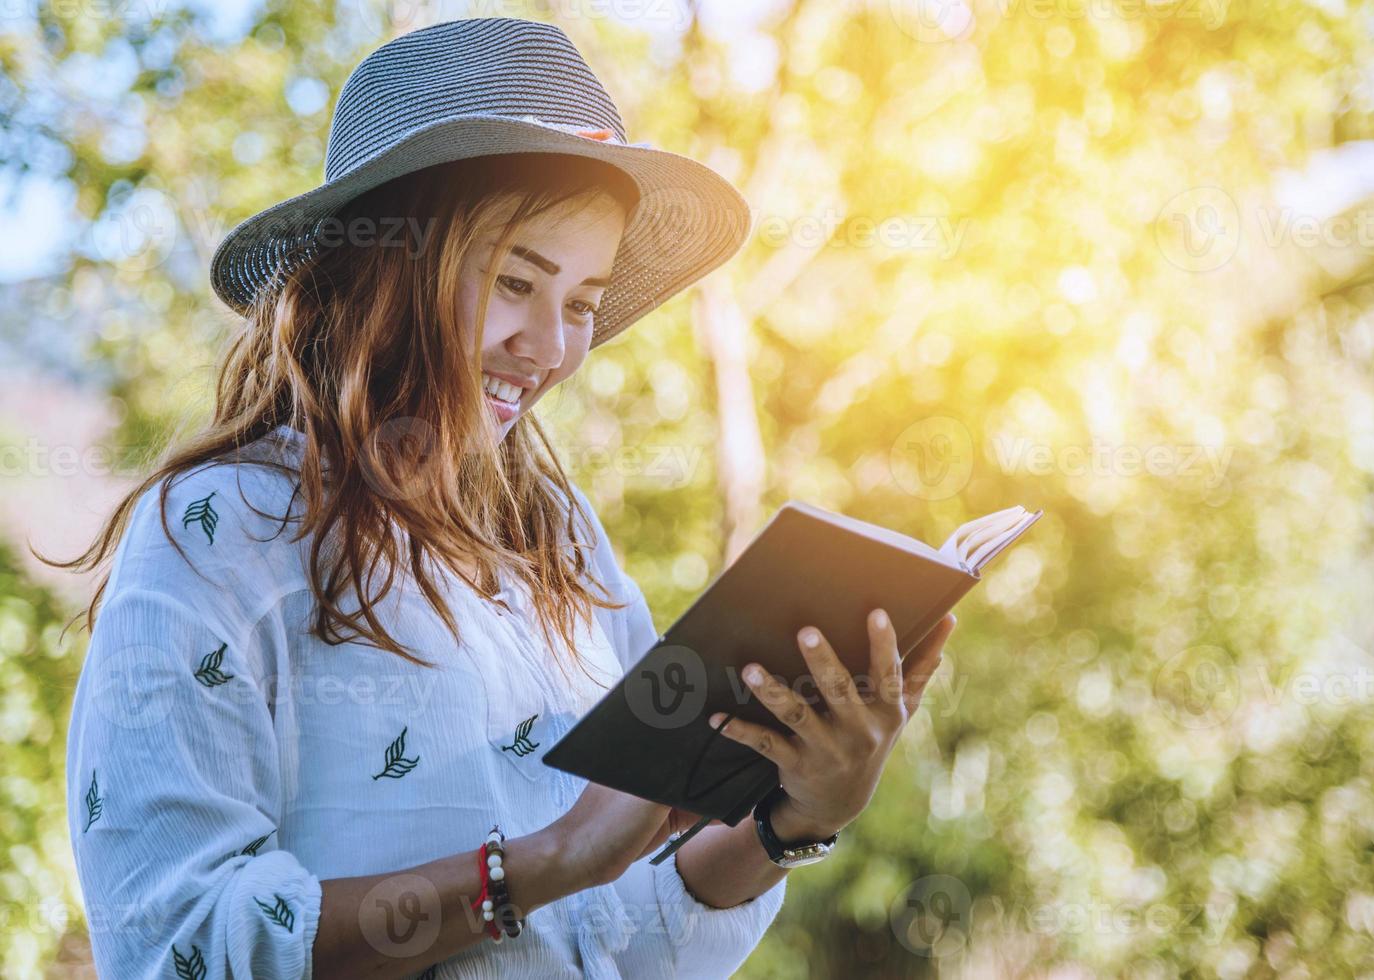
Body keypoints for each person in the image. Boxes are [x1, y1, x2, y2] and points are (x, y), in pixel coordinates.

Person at [53, 17, 958, 979]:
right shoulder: (220, 531)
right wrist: (539, 863)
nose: (554, 346)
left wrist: (792, 821)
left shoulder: (561, 545)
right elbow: (176, 940)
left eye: (580, 302)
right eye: (515, 281)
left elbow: (617, 930)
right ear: (383, 268)